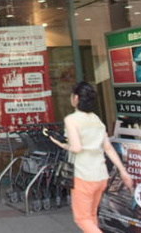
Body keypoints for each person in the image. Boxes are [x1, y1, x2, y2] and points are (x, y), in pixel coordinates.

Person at [48, 81, 133, 233]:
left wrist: (61, 144)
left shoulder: (71, 120)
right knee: (91, 216)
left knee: (82, 219)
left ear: (75, 98)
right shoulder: (96, 119)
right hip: (101, 176)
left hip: (84, 176)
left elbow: (76, 148)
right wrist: (122, 171)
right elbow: (108, 148)